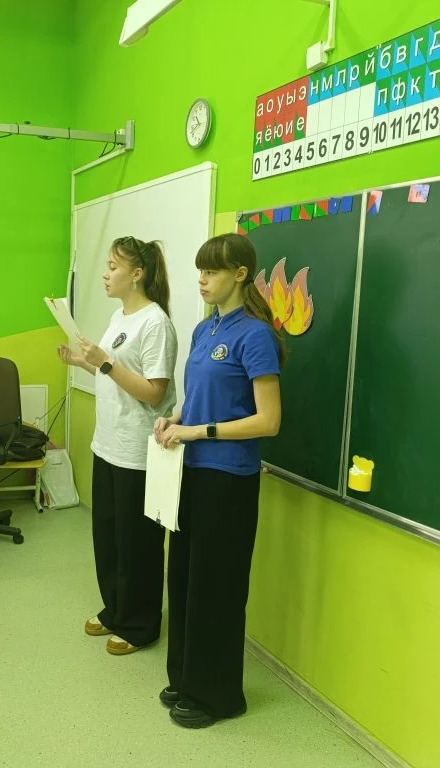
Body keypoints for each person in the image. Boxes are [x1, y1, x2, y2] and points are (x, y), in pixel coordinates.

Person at [154, 233, 283, 728]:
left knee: (218, 589)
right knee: (186, 578)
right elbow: (196, 397)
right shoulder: (204, 328)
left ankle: (220, 696)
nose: (202, 281)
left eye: (212, 272)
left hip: (229, 480)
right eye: (200, 272)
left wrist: (197, 431)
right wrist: (174, 418)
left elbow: (268, 420)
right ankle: (188, 678)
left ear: (240, 274)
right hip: (191, 472)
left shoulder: (255, 335)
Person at [58, 235, 177, 655]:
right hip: (107, 444)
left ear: (137, 274)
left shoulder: (155, 323)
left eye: (113, 267)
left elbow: (154, 393)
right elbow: (115, 377)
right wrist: (84, 362)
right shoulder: (119, 316)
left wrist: (105, 362)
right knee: (108, 537)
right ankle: (115, 609)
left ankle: (140, 624)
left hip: (137, 451)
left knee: (136, 544)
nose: (105, 275)